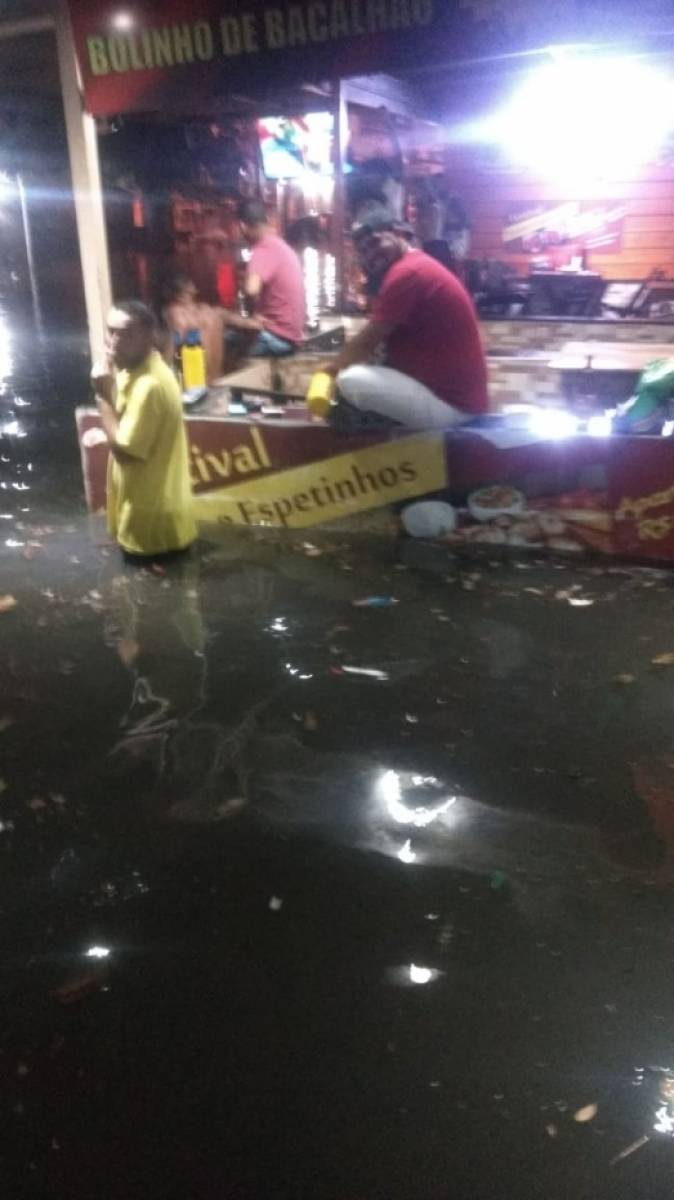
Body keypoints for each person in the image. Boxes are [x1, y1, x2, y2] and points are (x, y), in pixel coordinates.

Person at [326, 205, 488, 430]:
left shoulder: (407, 274)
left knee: (350, 381)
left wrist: (329, 372)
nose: (371, 255)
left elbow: (367, 342)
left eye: (375, 243)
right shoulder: (412, 267)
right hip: (456, 402)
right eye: (363, 251)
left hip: (452, 408)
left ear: (398, 234)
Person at [91, 300, 197, 562]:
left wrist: (102, 396)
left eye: (126, 333)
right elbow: (129, 423)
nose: (114, 341)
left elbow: (127, 454)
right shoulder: (138, 368)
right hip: (152, 516)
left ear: (149, 337)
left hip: (152, 531)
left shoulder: (149, 385)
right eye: (110, 331)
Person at [223, 197, 305, 366]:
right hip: (292, 334)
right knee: (232, 336)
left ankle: (232, 389)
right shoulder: (280, 245)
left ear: (242, 226)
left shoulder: (262, 249)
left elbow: (252, 289)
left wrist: (243, 279)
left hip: (277, 337)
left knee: (223, 344)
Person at [162, 274, 225, 383]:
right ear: (193, 289)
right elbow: (253, 323)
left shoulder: (176, 313)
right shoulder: (214, 312)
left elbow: (172, 347)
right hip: (218, 380)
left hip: (196, 384)